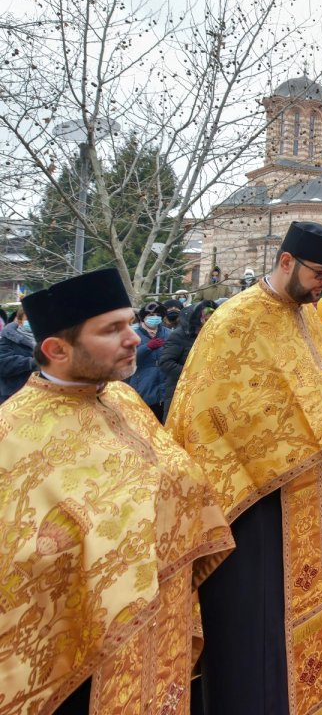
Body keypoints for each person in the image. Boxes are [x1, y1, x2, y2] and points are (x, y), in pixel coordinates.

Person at [2, 268, 232, 714]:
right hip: (87, 654)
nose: (133, 338)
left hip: (162, 619)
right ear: (56, 349)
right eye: (112, 329)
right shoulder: (14, 434)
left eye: (129, 323)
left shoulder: (124, 399)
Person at [167, 222, 322, 715]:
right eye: (319, 273)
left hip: (313, 493)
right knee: (263, 627)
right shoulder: (233, 322)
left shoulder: (310, 319)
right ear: (286, 262)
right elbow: (205, 416)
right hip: (256, 503)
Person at [158, 298, 217, 417]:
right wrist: (192, 375)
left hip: (204, 394)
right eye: (205, 319)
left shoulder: (213, 336)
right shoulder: (180, 335)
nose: (208, 322)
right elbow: (165, 362)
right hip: (180, 392)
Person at [129, 301, 171, 421]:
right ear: (143, 317)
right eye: (150, 315)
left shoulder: (168, 334)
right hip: (142, 384)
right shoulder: (133, 335)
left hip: (165, 386)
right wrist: (147, 348)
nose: (154, 317)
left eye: (158, 315)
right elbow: (127, 359)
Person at [0, 305, 36, 403]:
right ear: (20, 321)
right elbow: (3, 364)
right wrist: (31, 362)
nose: (34, 321)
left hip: (38, 395)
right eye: (29, 318)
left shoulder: (46, 339)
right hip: (13, 396)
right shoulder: (8, 339)